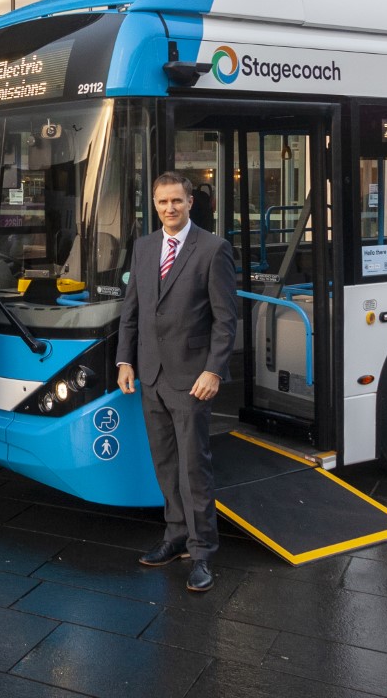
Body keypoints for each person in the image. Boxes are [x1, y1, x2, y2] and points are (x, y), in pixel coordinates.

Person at [116, 170, 238, 593]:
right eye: (162, 202)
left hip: (192, 379)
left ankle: (203, 551)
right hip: (149, 374)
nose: (170, 208)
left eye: (177, 201)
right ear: (154, 204)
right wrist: (124, 361)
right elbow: (132, 311)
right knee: (165, 464)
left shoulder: (213, 249)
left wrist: (213, 369)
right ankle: (175, 537)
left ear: (190, 203)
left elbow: (226, 319)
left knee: (193, 467)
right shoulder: (145, 247)